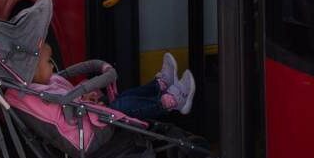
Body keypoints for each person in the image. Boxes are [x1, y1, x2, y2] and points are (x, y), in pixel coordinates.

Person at [32, 46, 196, 120]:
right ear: (35, 73)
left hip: (92, 112)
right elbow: (65, 106)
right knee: (122, 105)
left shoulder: (48, 83)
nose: (52, 65)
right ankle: (171, 103)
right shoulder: (45, 94)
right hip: (94, 123)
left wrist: (85, 96)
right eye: (48, 63)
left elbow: (70, 98)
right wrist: (83, 99)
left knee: (125, 97)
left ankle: (159, 86)